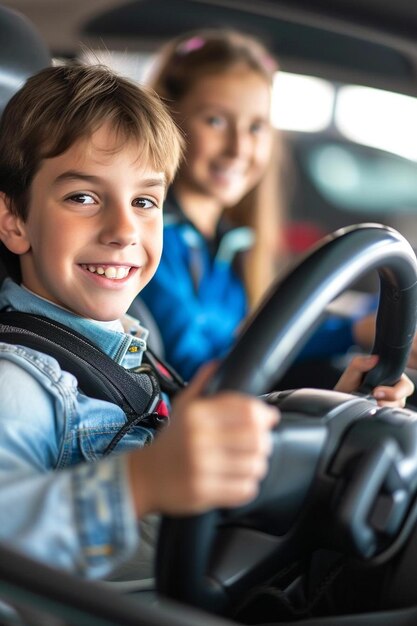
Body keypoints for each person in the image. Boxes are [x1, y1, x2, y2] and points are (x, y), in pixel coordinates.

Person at [0, 62, 412, 586]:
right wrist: (139, 484)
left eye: (145, 201)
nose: (124, 229)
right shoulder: (22, 381)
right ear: (14, 221)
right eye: (83, 197)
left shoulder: (126, 346)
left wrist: (331, 415)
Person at [139, 29, 376, 381]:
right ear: (168, 120)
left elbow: (241, 345)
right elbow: (193, 370)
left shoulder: (230, 242)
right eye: (216, 121)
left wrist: (366, 323)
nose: (238, 148)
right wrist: (351, 332)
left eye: (255, 127)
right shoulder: (151, 235)